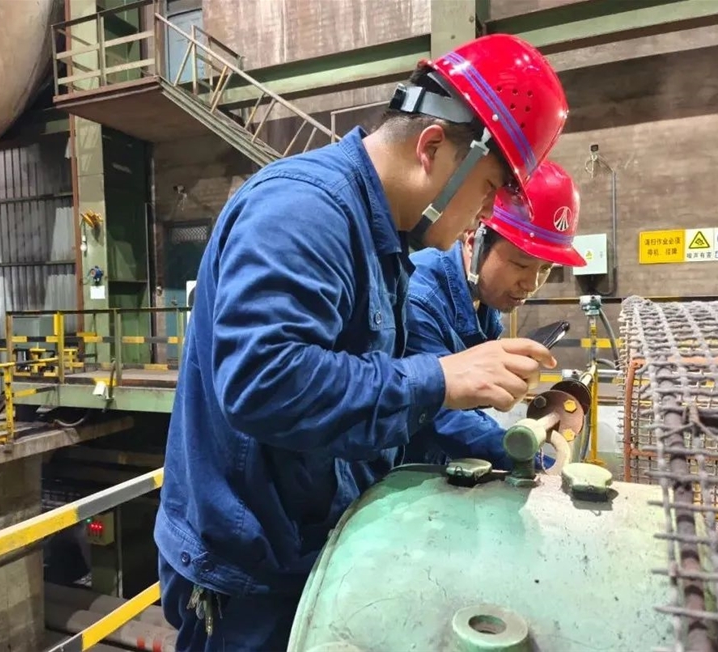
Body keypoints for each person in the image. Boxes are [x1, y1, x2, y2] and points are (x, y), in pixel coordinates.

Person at [154, 33, 569, 651]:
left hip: (305, 545)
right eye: (487, 189)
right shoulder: (304, 210)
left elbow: (360, 395)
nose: (485, 216)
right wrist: (440, 379)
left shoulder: (384, 240)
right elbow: (263, 381)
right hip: (248, 572)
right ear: (432, 147)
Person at [404, 161, 586, 470]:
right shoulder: (420, 299)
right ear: (473, 241)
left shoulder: (484, 298)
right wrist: (533, 462)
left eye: (546, 269)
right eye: (521, 264)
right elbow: (442, 415)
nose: (531, 284)